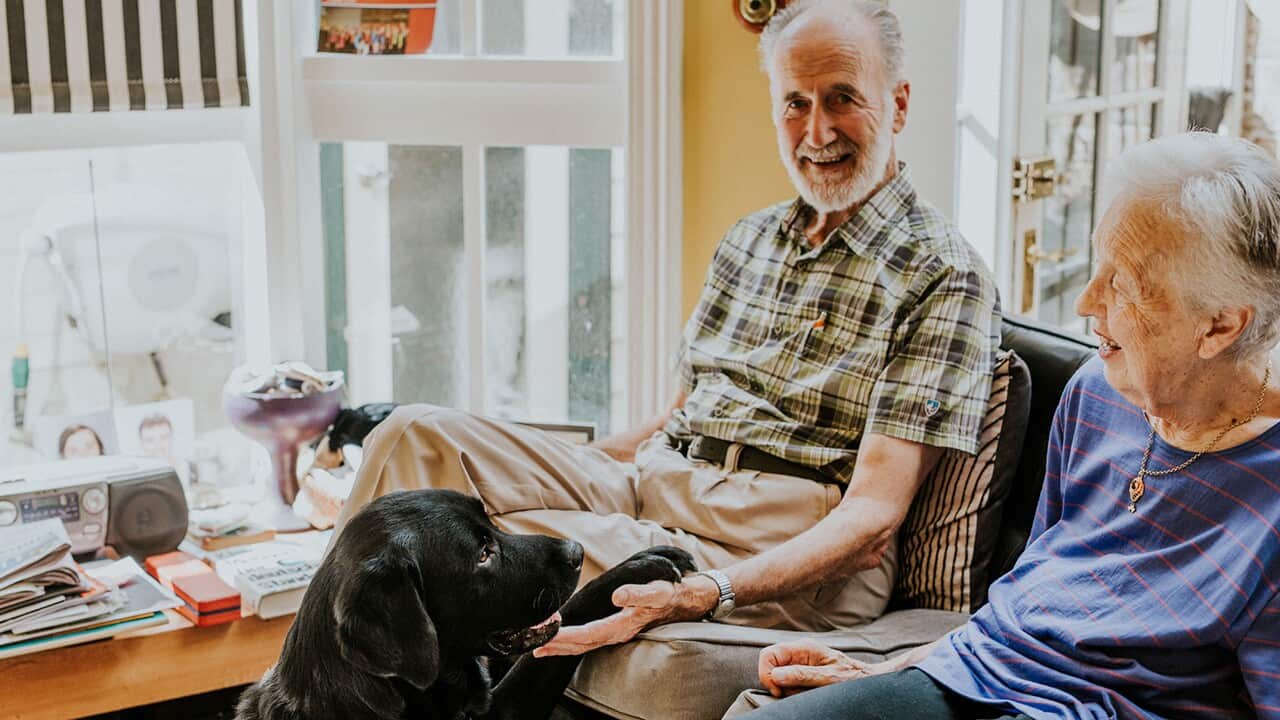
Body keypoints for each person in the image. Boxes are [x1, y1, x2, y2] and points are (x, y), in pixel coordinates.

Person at [338, 0, 1000, 653]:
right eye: (795, 102)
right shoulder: (751, 239)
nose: (817, 129)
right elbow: (673, 419)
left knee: (488, 549)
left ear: (900, 104)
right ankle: (314, 678)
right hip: (660, 481)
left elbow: (871, 521)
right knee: (411, 438)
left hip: (781, 535)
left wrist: (705, 590)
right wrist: (555, 468)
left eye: (843, 97)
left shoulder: (941, 273)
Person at [731, 132, 1280, 719]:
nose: (1086, 301)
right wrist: (888, 672)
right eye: (1099, 264)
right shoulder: (1096, 393)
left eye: (1123, 284)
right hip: (971, 674)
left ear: (1220, 326)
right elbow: (1029, 596)